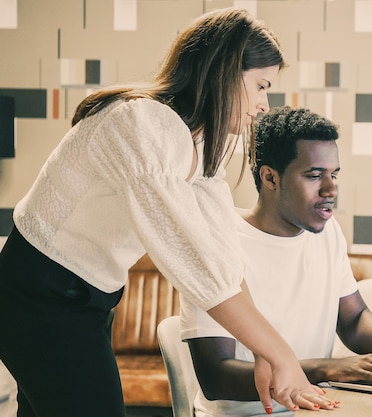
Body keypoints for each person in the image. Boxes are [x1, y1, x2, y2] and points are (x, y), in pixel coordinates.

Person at [0, 9, 332, 417]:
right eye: (261, 85)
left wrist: (266, 350)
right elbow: (189, 258)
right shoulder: (141, 124)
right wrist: (279, 353)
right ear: (225, 72)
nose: (264, 104)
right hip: (40, 294)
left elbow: (221, 256)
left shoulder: (198, 145)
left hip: (85, 300)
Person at [180, 106, 372, 417]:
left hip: (315, 409)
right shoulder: (216, 243)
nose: (331, 189)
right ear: (270, 177)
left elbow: (354, 322)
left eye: (334, 175)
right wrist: (328, 369)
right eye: (315, 175)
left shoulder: (328, 234)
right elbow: (216, 377)